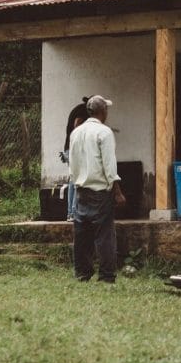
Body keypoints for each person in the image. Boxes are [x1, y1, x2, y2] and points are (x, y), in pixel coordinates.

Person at [69, 94, 126, 283]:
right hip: (100, 190)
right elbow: (109, 165)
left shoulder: (76, 132)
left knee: (82, 235)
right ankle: (107, 275)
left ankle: (82, 273)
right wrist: (117, 191)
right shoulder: (104, 132)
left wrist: (77, 182)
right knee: (104, 235)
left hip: (80, 189)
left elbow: (73, 163)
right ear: (103, 112)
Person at [60, 98, 90, 221]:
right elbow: (77, 124)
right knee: (76, 180)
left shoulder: (79, 108)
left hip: (69, 148)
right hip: (73, 149)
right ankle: (73, 213)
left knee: (73, 179)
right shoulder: (83, 111)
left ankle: (71, 213)